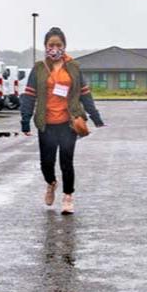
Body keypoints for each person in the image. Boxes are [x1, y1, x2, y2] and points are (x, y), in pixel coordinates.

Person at [20, 28, 104, 214]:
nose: (55, 48)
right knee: (46, 163)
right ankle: (51, 183)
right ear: (45, 47)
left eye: (59, 45)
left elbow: (84, 93)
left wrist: (95, 116)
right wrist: (25, 119)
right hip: (46, 122)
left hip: (69, 122)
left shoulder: (73, 67)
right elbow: (29, 95)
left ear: (64, 46)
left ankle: (68, 197)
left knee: (66, 161)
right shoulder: (39, 68)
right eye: (51, 45)